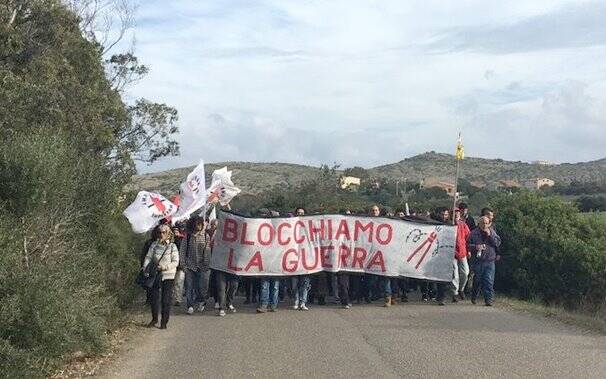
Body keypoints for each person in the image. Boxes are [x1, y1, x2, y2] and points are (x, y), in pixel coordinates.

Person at [142, 223, 179, 329]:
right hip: (155, 275)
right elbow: (148, 257)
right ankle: (154, 319)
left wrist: (164, 267)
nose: (161, 234)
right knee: (154, 298)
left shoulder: (172, 247)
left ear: (168, 234)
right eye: (160, 232)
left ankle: (164, 322)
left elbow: (175, 262)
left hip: (168, 275)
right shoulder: (154, 244)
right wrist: (145, 268)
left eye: (164, 232)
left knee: (166, 300)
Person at [179, 217, 211, 315]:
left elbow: (207, 250)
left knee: (202, 287)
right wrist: (183, 264)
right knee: (189, 287)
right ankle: (190, 305)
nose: (198, 226)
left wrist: (206, 263)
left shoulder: (206, 236)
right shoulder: (188, 237)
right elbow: (183, 250)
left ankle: (202, 301)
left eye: (200, 224)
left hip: (202, 266)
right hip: (190, 266)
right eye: (196, 224)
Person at [468, 216, 502, 306]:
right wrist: (475, 247)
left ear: (489, 224)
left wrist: (490, 235)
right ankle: (474, 295)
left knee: (488, 280)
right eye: (483, 223)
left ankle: (488, 299)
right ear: (479, 223)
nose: (484, 225)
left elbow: (497, 243)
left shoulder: (492, 232)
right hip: (478, 261)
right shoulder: (473, 233)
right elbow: (467, 245)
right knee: (477, 280)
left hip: (489, 260)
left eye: (487, 223)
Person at [291, 207, 311, 311]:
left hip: (306, 260)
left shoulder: (309, 227)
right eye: (298, 213)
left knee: (305, 284)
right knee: (294, 285)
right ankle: (296, 300)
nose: (300, 214)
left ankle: (303, 302)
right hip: (293, 260)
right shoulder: (290, 225)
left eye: (302, 213)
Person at [453, 208, 471, 301]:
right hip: (451, 253)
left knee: (465, 272)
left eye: (458, 214)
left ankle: (461, 289)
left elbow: (468, 238)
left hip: (462, 251)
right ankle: (455, 293)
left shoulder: (463, 225)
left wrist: (469, 250)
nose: (456, 215)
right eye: (454, 214)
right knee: (454, 274)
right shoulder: (449, 225)